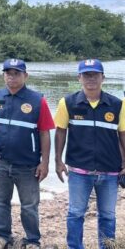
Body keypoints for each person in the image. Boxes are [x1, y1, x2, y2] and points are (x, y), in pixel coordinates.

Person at [0, 59, 55, 249]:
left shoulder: (38, 101)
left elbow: (45, 133)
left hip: (28, 165)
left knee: (29, 205)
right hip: (1, 162)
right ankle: (3, 236)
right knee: (0, 202)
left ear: (25, 76)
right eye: (8, 73)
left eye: (16, 73)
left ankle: (32, 240)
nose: (12, 77)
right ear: (3, 75)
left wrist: (45, 162)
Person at [54, 59, 125, 249]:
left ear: (103, 78)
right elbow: (60, 132)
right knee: (76, 213)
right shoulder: (67, 103)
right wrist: (58, 161)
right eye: (86, 75)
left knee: (108, 215)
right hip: (79, 171)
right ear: (79, 78)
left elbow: (123, 135)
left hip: (110, 170)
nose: (91, 79)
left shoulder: (117, 105)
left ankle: (107, 247)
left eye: (95, 75)